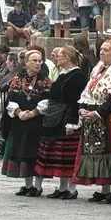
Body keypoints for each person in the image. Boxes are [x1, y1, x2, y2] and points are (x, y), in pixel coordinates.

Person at [74, 38, 111, 203]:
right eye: (101, 49)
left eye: (106, 50)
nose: (102, 52)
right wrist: (83, 108)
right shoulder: (98, 68)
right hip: (93, 114)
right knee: (97, 151)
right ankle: (104, 189)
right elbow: (88, 90)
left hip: (108, 117)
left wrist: (97, 113)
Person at [34, 45, 88, 199]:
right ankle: (63, 187)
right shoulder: (63, 74)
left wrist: (72, 121)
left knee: (68, 157)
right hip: (55, 116)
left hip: (68, 117)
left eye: (59, 55)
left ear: (67, 58)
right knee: (60, 157)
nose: (56, 58)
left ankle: (71, 188)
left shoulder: (78, 76)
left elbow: (75, 101)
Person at [0, 49, 52, 196]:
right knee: (22, 152)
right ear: (26, 63)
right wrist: (19, 113)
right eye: (34, 60)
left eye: (39, 60)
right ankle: (28, 185)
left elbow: (47, 101)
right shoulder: (17, 80)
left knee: (36, 153)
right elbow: (10, 100)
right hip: (20, 122)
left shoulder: (45, 81)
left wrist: (34, 112)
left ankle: (38, 186)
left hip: (37, 122)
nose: (37, 63)